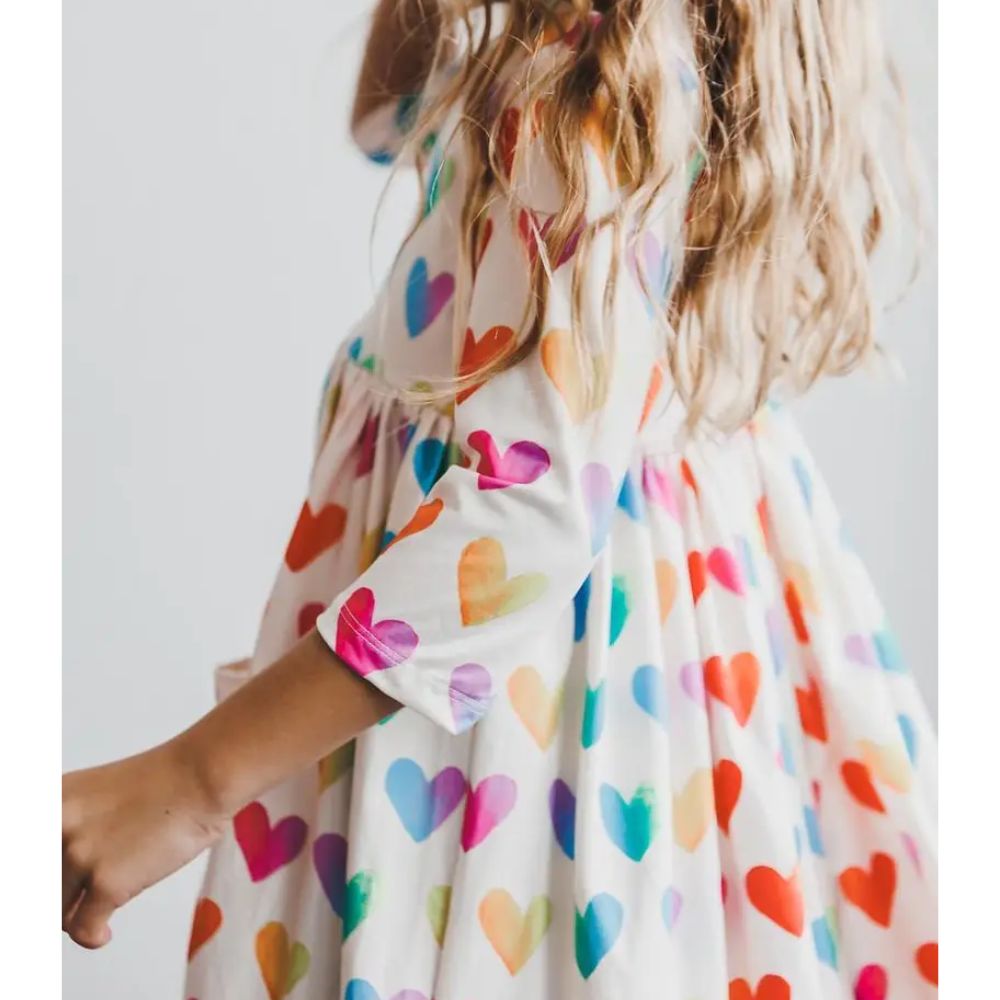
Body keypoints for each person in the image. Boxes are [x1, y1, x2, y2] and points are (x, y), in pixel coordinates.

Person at [62, 1, 938, 997]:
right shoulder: (594, 55)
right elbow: (386, 115)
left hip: (516, 722)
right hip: (628, 670)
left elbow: (526, 517)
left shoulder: (583, 95)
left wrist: (191, 780)